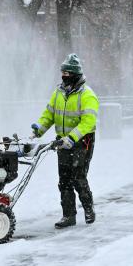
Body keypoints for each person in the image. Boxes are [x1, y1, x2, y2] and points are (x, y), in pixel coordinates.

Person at [31, 53, 99, 229]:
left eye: (67, 74)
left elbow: (88, 122)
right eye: (63, 73)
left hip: (82, 142)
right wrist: (38, 129)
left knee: (78, 177)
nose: (64, 77)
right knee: (64, 180)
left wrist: (72, 137)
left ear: (75, 75)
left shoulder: (87, 95)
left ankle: (89, 209)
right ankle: (68, 216)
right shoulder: (58, 93)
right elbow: (49, 115)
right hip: (62, 142)